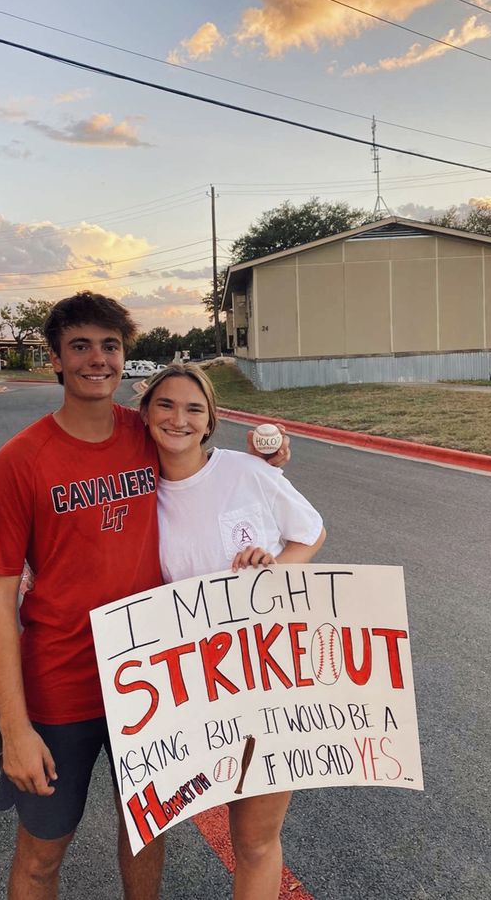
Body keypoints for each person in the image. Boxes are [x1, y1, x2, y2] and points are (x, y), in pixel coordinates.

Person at [0, 292, 289, 900]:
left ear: (126, 355)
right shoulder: (22, 461)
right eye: (81, 346)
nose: (98, 359)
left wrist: (269, 464)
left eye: (110, 346)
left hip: (150, 679)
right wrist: (13, 727)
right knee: (42, 853)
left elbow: (208, 467)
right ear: (55, 358)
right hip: (61, 683)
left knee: (147, 832)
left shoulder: (146, 432)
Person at [139, 364, 326, 900]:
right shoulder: (132, 488)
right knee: (160, 822)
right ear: (146, 413)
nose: (179, 419)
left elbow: (309, 533)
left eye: (194, 408)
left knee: (256, 840)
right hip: (182, 685)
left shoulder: (248, 472)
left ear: (211, 420)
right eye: (166, 405)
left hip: (260, 676)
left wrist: (273, 572)